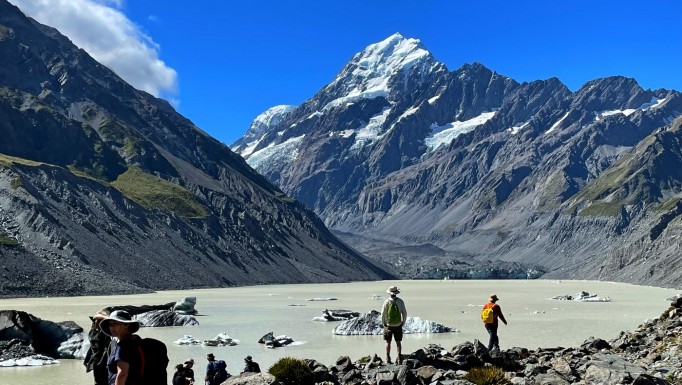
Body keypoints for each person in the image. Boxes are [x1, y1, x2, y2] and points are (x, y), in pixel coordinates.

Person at [100, 310, 142, 385]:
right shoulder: (136, 341)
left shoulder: (123, 346)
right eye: (110, 324)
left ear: (126, 325)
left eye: (115, 323)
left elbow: (122, 374)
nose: (112, 327)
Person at [83, 310, 111, 385]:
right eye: (95, 321)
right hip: (98, 364)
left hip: (106, 364)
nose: (96, 322)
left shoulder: (108, 333)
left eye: (99, 321)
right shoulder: (94, 333)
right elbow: (94, 344)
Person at [380, 285, 407, 364]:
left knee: (388, 342)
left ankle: (388, 358)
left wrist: (383, 322)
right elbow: (404, 313)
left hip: (389, 324)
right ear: (396, 293)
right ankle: (399, 358)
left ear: (389, 293)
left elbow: (383, 313)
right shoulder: (400, 301)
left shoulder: (386, 302)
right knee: (398, 342)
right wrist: (403, 322)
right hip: (398, 324)